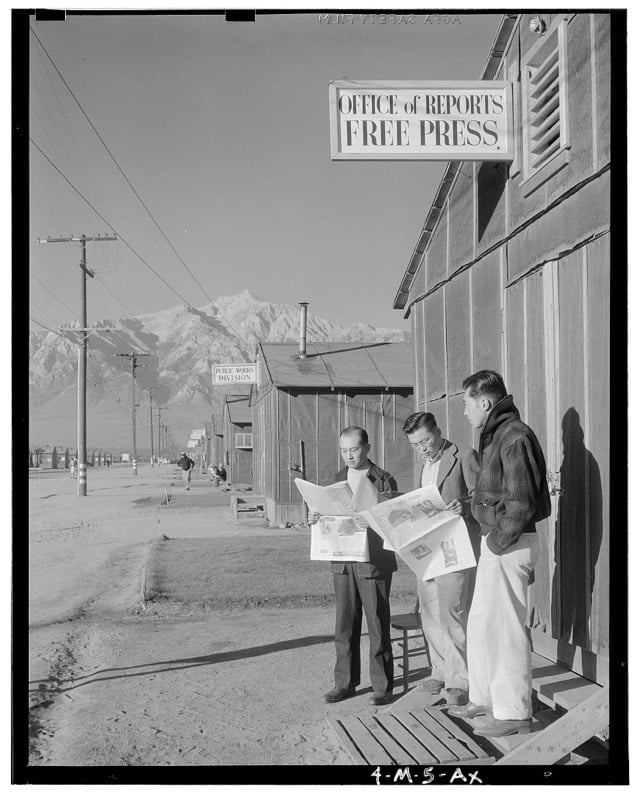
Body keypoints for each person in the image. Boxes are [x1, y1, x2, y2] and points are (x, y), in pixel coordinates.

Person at [449, 370, 551, 738]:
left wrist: (495, 542)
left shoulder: (514, 436)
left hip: (510, 542)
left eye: (466, 404)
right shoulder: (498, 436)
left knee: (505, 629)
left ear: (486, 402)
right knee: (481, 624)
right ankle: (485, 698)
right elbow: (496, 493)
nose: (464, 412)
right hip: (499, 542)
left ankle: (513, 713)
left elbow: (521, 502)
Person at [313, 427, 397, 707]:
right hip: (343, 561)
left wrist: (372, 521)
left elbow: (395, 522)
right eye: (344, 450)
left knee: (376, 622)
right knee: (345, 624)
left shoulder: (383, 479)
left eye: (354, 449)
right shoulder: (336, 479)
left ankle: (383, 687)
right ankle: (344, 683)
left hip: (374, 563)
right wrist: (316, 516)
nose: (349, 456)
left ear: (368, 448)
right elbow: (328, 515)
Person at [402, 412, 480, 707]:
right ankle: (440, 670)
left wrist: (466, 505)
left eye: (426, 441)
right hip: (427, 550)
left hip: (456, 549)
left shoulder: (463, 456)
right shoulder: (423, 463)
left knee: (453, 613)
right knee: (430, 612)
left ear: (438, 430)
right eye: (415, 445)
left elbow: (483, 495)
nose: (422, 448)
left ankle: (460, 681)